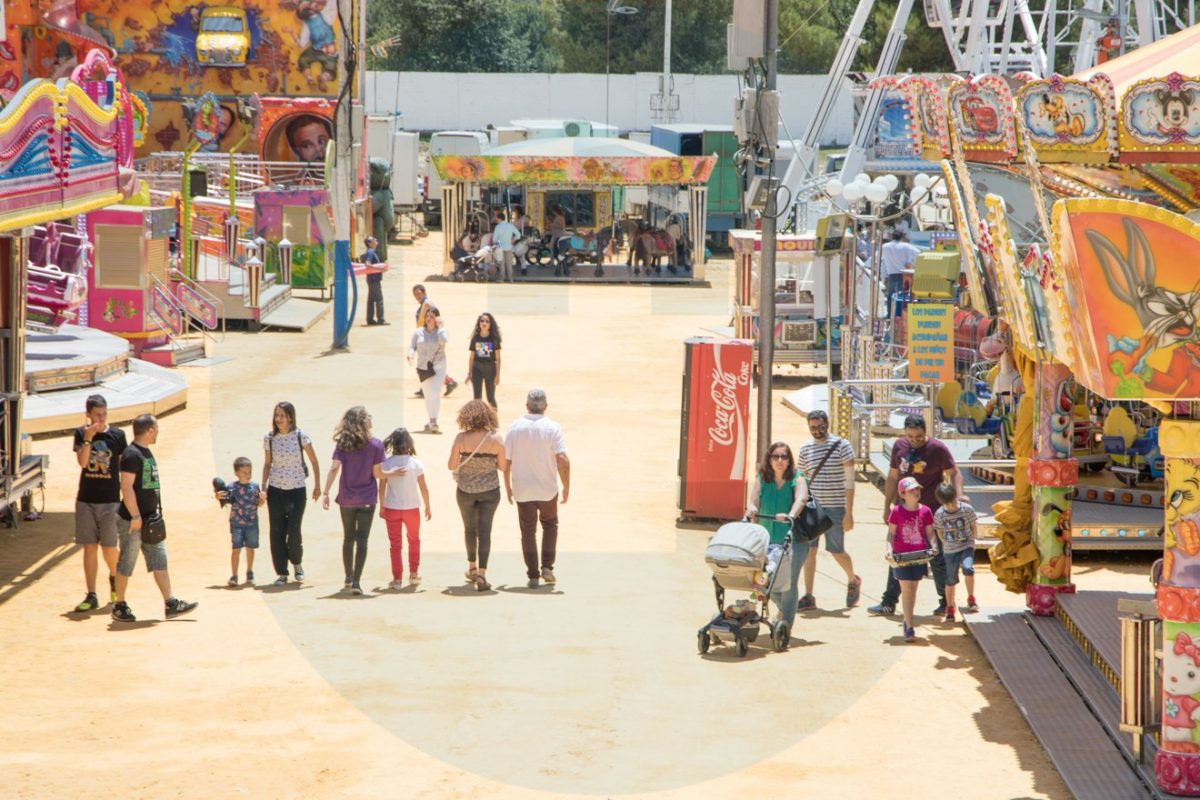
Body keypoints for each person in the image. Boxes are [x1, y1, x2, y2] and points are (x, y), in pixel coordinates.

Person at [869, 415, 963, 617]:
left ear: (925, 431)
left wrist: (957, 497)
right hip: (904, 511)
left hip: (931, 511)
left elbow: (954, 473)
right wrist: (887, 506)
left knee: (936, 556)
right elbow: (893, 476)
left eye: (919, 436)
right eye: (911, 436)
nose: (914, 440)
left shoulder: (937, 449)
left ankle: (946, 602)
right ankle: (889, 602)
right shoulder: (899, 446)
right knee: (898, 554)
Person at [110, 415, 198, 622]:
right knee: (127, 561)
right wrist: (135, 515)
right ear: (149, 430)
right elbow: (126, 487)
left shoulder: (144, 453)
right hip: (134, 520)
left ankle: (171, 603)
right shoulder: (132, 455)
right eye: (156, 427)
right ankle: (119, 604)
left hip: (149, 519)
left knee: (160, 559)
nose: (158, 431)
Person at [504, 389, 570, 589]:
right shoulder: (553, 428)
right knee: (550, 525)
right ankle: (547, 566)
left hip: (522, 489)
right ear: (546, 407)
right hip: (547, 488)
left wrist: (507, 486)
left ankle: (533, 574)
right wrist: (566, 486)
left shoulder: (514, 427)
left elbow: (506, 461)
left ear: (527, 406)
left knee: (528, 531)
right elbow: (563, 460)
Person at [796, 410, 861, 610]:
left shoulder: (842, 446)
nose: (817, 431)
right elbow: (801, 479)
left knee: (837, 551)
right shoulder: (806, 448)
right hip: (813, 507)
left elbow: (850, 482)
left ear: (828, 424)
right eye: (813, 427)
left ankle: (853, 579)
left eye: (820, 426)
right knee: (810, 551)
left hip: (835, 507)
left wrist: (849, 513)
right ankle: (809, 595)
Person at [745, 442, 811, 629]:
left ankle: (786, 624)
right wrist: (752, 507)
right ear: (769, 459)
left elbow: (801, 498)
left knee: (788, 583)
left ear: (790, 460)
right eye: (776, 456)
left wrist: (790, 515)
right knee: (765, 581)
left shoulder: (797, 478)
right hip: (766, 539)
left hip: (794, 540)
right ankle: (783, 611)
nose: (780, 460)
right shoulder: (763, 478)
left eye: (784, 456)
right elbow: (755, 498)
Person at [72, 394, 127, 612]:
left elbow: (123, 469)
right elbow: (83, 463)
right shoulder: (80, 434)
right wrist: (88, 438)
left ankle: (114, 577)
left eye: (104, 414)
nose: (101, 419)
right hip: (86, 499)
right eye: (96, 415)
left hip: (110, 501)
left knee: (109, 548)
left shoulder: (118, 435)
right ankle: (91, 593)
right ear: (88, 415)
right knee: (89, 547)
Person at [322, 407, 386, 595]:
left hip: (347, 498)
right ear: (362, 421)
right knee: (362, 540)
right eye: (368, 416)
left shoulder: (343, 443)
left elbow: (334, 469)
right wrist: (393, 473)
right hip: (367, 498)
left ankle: (348, 578)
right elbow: (377, 473)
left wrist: (326, 492)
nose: (371, 418)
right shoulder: (376, 445)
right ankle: (357, 582)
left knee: (348, 538)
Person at [262, 402, 322, 587]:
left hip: (296, 490)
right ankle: (281, 572)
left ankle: (297, 563)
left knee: (294, 530)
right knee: (276, 532)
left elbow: (314, 461)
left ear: (290, 417)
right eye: (276, 415)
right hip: (276, 490)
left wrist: (317, 486)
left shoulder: (301, 436)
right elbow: (267, 464)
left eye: (282, 415)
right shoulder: (270, 438)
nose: (278, 419)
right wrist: (263, 487)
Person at [449, 400, 507, 592]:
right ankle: (482, 574)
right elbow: (503, 466)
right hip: (490, 491)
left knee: (469, 530)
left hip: (465, 490)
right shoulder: (497, 439)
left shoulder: (461, 438)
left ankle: (472, 567)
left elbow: (451, 465)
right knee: (485, 532)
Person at [379, 427, 430, 589]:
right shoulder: (416, 463)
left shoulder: (387, 463)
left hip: (392, 508)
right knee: (414, 540)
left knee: (395, 544)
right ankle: (414, 574)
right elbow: (424, 488)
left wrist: (381, 506)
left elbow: (382, 487)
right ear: (409, 443)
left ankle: (397, 579)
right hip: (412, 509)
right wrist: (428, 506)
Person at [886, 477, 936, 642]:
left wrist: (934, 545)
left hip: (919, 556)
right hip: (902, 556)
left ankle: (907, 620)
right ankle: (910, 626)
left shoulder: (926, 511)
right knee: (906, 590)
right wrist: (888, 549)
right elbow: (891, 533)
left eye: (917, 489)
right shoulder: (897, 511)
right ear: (902, 494)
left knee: (913, 590)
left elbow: (930, 532)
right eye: (912, 490)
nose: (916, 492)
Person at [215, 457, 266, 586]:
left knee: (250, 548)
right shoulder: (231, 487)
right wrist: (218, 496)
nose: (247, 475)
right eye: (244, 473)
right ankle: (234, 575)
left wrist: (262, 499)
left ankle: (249, 572)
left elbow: (259, 503)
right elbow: (223, 498)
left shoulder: (255, 487)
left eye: (249, 472)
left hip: (252, 523)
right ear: (236, 473)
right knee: (236, 549)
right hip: (236, 523)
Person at [933, 482, 978, 621]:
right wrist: (946, 543)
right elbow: (939, 531)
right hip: (950, 550)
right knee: (950, 578)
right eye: (948, 503)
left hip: (966, 546)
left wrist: (972, 540)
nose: (951, 506)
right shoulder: (940, 514)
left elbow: (973, 525)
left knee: (968, 568)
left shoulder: (967, 509)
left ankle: (971, 598)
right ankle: (950, 606)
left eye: (952, 501)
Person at [412, 284, 458, 398]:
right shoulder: (424, 304)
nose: (417, 296)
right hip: (425, 336)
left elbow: (437, 317)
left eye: (419, 293)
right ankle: (427, 387)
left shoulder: (428, 303)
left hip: (431, 338)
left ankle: (448, 382)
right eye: (415, 294)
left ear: (424, 292)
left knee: (430, 363)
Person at [409, 306, 449, 433]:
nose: (429, 319)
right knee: (428, 395)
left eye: (432, 317)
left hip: (439, 366)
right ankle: (431, 419)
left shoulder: (441, 332)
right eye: (427, 316)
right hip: (423, 367)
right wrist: (410, 354)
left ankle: (433, 421)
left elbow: (444, 341)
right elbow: (412, 346)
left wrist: (441, 326)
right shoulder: (418, 332)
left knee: (434, 393)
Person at [880, 229, 920, 319]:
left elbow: (878, 257)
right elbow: (917, 252)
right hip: (904, 273)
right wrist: (910, 262)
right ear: (902, 236)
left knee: (891, 295)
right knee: (903, 295)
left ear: (892, 236)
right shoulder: (906, 246)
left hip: (892, 274)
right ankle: (901, 314)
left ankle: (890, 314)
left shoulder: (885, 246)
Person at [467, 312, 502, 410]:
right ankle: (478, 421)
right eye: (482, 321)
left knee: (490, 398)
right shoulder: (475, 338)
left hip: (490, 369)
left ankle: (494, 421)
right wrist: (469, 373)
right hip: (477, 369)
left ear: (490, 324)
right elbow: (471, 357)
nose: (484, 323)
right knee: (477, 398)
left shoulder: (494, 339)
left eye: (487, 321)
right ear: (479, 323)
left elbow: (498, 359)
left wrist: (497, 375)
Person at [362, 236, 387, 326]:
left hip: (371, 278)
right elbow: (367, 264)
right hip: (374, 279)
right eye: (374, 239)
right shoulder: (371, 252)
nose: (376, 240)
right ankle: (381, 319)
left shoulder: (370, 252)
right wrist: (379, 268)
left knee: (371, 300)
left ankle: (370, 319)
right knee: (379, 299)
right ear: (369, 243)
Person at [491, 210, 519, 283]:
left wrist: (496, 243)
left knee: (501, 264)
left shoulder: (497, 227)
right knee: (509, 264)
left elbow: (494, 239)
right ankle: (511, 279)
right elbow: (518, 235)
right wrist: (513, 240)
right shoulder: (510, 225)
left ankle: (502, 278)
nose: (496, 220)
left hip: (500, 248)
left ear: (499, 218)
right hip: (509, 247)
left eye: (496, 218)